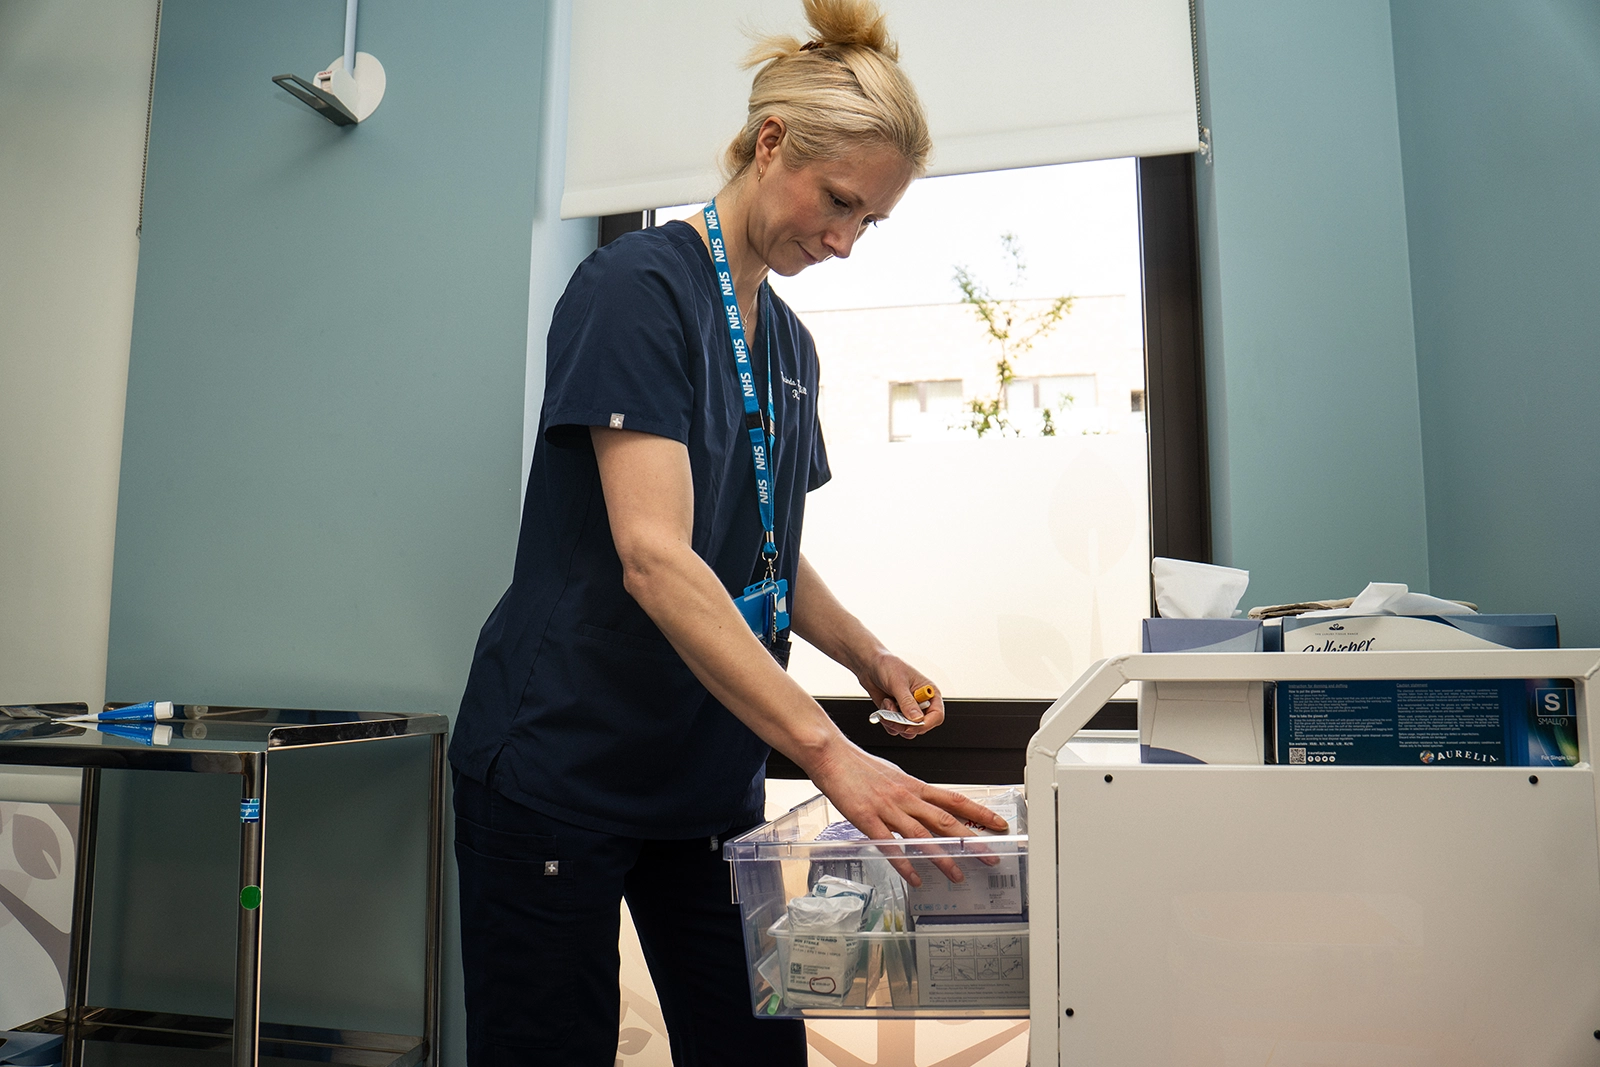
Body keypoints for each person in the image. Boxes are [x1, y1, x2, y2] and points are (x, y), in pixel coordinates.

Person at [448, 1, 1006, 1063]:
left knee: (754, 1048)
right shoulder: (635, 292)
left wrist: (868, 653)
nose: (843, 242)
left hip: (702, 771)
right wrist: (827, 750)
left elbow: (764, 542)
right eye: (839, 202)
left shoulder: (786, 340)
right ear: (770, 144)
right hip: (566, 756)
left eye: (869, 223)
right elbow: (657, 556)